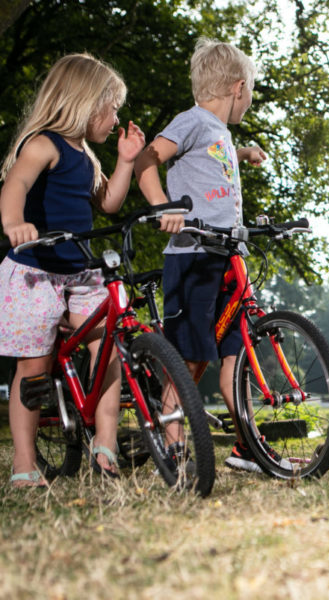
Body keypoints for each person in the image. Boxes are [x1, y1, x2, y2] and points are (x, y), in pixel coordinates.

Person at [0, 53, 146, 487]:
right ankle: (24, 464)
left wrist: (124, 162)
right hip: (34, 271)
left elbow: (109, 204)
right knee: (34, 370)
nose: (116, 117)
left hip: (79, 273)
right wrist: (13, 223)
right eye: (112, 107)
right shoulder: (43, 144)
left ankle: (106, 445)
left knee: (108, 346)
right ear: (85, 102)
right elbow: (16, 185)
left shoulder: (87, 157)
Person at [134, 38, 267, 472]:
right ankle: (172, 450)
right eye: (249, 93)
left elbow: (212, 160)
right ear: (237, 87)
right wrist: (162, 206)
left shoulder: (219, 134)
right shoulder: (190, 121)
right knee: (188, 358)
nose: (248, 101)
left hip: (229, 255)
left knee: (237, 354)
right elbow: (146, 159)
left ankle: (247, 446)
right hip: (193, 256)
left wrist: (243, 153)